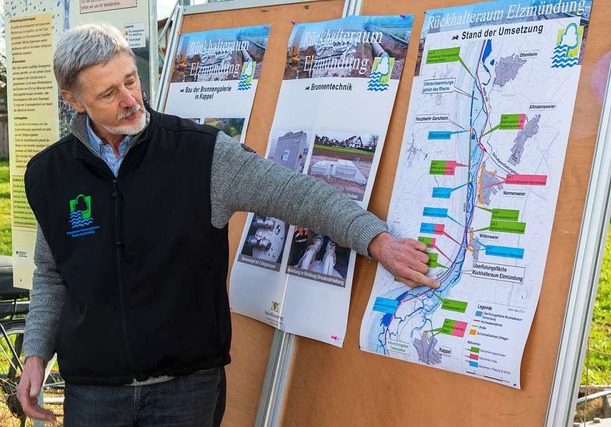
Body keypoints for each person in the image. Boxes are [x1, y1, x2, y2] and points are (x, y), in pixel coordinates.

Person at [17, 23, 439, 426]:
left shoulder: (201, 155)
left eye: (131, 80)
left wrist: (375, 239)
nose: (130, 100)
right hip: (93, 393)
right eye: (109, 93)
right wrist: (36, 353)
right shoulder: (49, 175)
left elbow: (299, 194)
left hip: (184, 392)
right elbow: (53, 274)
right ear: (73, 100)